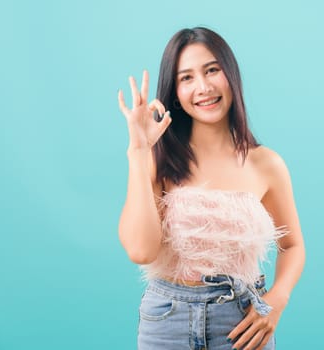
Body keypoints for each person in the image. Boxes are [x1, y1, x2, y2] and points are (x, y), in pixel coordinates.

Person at [117, 27, 305, 350]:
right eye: (186, 78)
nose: (203, 87)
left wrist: (277, 300)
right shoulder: (158, 160)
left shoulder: (266, 164)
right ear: (175, 91)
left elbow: (293, 245)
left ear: (230, 74)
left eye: (212, 70)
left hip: (241, 324)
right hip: (166, 324)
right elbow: (141, 251)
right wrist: (138, 152)